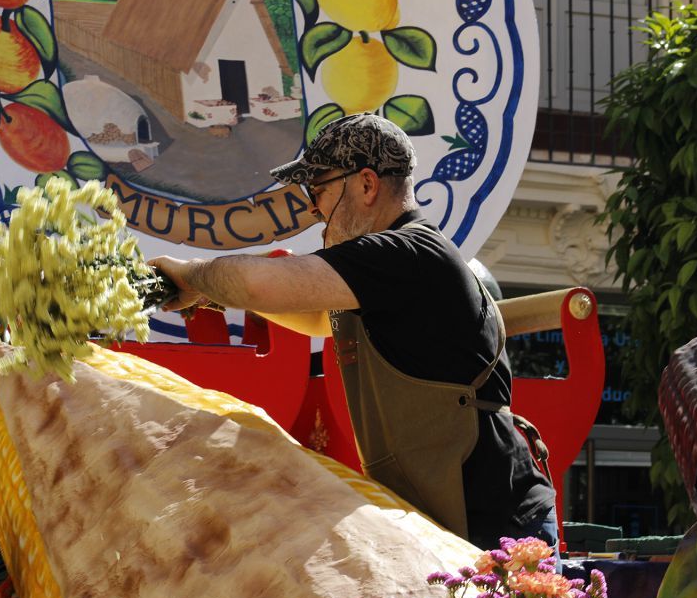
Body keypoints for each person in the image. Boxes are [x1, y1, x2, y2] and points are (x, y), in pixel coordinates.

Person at [150, 113, 557, 551]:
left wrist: (191, 274)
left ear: (366, 184)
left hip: (499, 526)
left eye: (318, 189)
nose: (312, 208)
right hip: (456, 523)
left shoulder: (405, 254)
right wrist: (211, 295)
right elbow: (317, 317)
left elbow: (256, 283)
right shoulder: (392, 269)